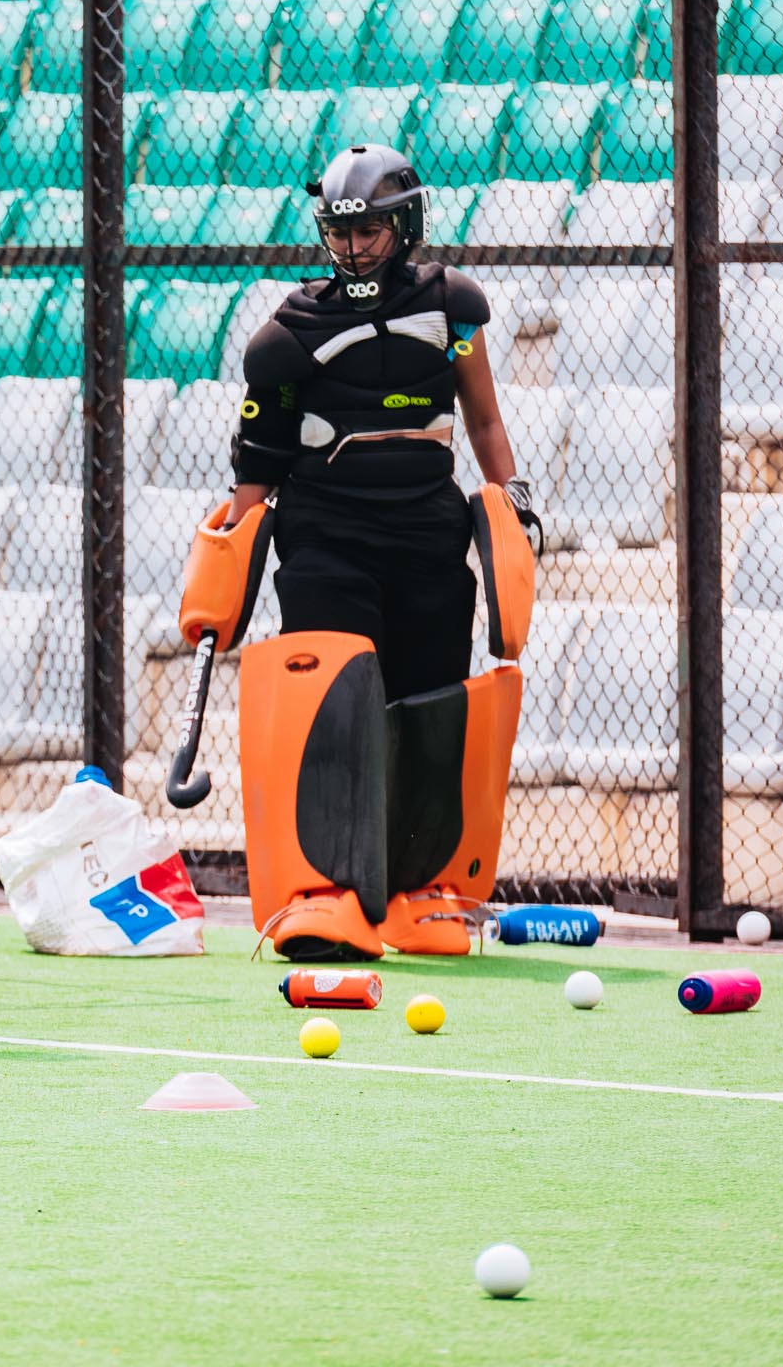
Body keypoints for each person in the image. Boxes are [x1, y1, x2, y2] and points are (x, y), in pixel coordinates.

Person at [177, 144, 543, 961]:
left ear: (403, 224)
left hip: (428, 538)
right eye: (339, 234)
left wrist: (510, 498)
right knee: (334, 715)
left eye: (368, 231)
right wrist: (227, 558)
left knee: (429, 711)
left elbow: (482, 420)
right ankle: (325, 896)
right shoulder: (285, 340)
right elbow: (255, 472)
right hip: (326, 543)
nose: (352, 248)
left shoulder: (452, 313)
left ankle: (421, 895)